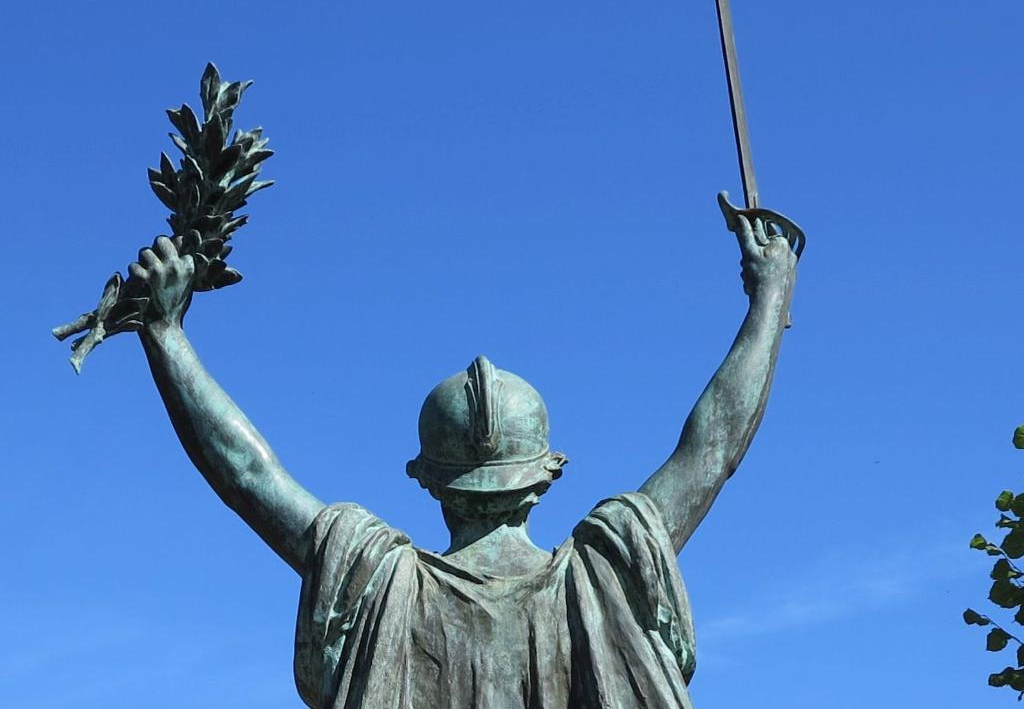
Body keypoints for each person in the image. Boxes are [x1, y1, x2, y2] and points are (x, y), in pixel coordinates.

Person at [130, 212, 797, 709]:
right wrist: (770, 297)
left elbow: (247, 476)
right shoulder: (606, 574)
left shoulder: (379, 582)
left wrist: (165, 334)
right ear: (545, 475)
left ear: (427, 480)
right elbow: (713, 449)